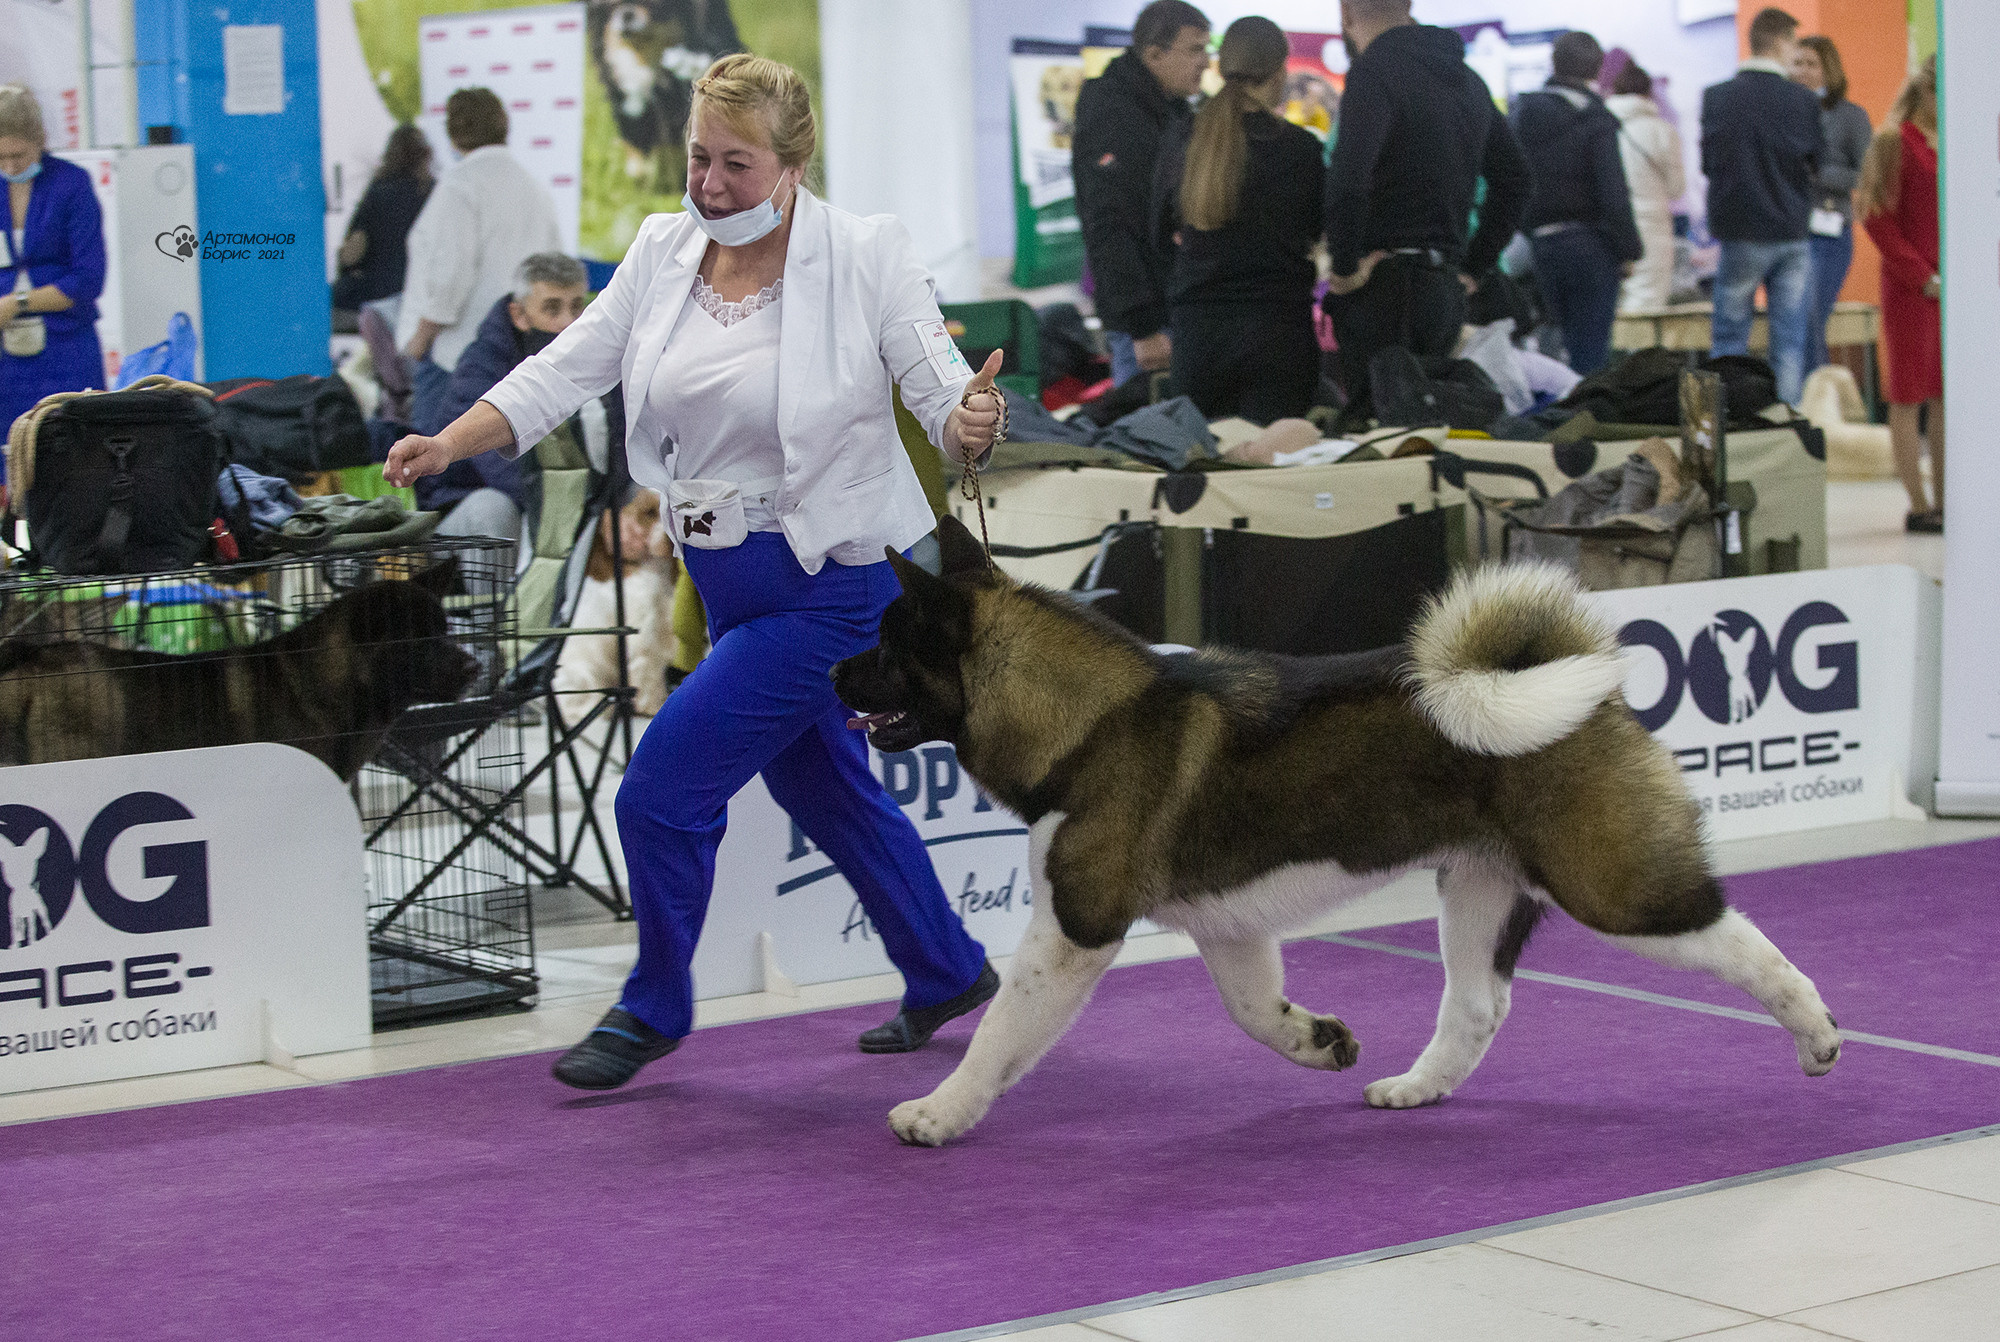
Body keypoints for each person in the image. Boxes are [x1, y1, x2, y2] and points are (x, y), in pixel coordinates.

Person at [384, 55, 1004, 1090]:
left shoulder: (863, 253)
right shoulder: (662, 248)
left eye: (736, 164)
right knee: (829, 791)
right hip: (723, 582)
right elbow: (563, 368)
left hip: (836, 582)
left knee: (658, 794)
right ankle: (944, 968)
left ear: (793, 164)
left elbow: (943, 393)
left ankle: (653, 1007)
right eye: (697, 158)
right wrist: (451, 440)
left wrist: (969, 419)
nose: (708, 184)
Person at [1322, 0, 1529, 423]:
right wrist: (1475, 264)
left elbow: (1349, 180)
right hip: (1443, 289)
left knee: (1374, 436)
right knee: (1430, 435)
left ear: (1345, 12)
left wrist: (1343, 268)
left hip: (1381, 289)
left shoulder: (1373, 71)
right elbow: (1516, 179)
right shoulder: (1467, 80)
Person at [1151, 16, 1323, 423]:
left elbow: (1157, 235)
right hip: (1280, 332)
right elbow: (1315, 232)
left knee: (1203, 471)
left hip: (1200, 336)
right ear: (1280, 70)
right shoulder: (1301, 149)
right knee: (1274, 476)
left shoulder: (1183, 139)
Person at [422, 252, 625, 545]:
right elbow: (496, 465)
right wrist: (579, 506)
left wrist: (609, 503)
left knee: (645, 499)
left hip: (572, 498)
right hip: (474, 504)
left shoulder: (598, 356)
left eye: (577, 307)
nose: (568, 322)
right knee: (493, 509)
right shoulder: (481, 364)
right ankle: (505, 593)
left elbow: (622, 437)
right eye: (552, 309)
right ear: (519, 314)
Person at [396, 87, 562, 438]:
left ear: (453, 135)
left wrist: (420, 340)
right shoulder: (535, 188)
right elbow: (555, 269)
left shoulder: (459, 185)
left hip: (455, 357)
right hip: (518, 356)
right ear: (504, 125)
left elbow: (450, 275)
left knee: (434, 470)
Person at [1073, 1, 1210, 389]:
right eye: (1195, 50)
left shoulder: (1173, 111)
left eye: (1208, 49)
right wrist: (1142, 326)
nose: (1205, 63)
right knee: (1148, 438)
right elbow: (1109, 221)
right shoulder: (1112, 111)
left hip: (1176, 306)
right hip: (1147, 325)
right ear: (1154, 54)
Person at [1701, 7, 1822, 407]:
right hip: (1792, 231)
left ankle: (1729, 425)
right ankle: (1784, 426)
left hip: (1740, 230)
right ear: (1781, 42)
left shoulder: (1717, 98)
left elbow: (1709, 164)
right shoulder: (1803, 102)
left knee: (1730, 338)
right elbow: (1817, 165)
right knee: (1789, 342)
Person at [1511, 32, 1643, 377]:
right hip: (1590, 247)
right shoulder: (1596, 120)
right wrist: (1629, 250)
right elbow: (1612, 191)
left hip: (1536, 247)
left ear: (1553, 63)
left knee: (1545, 356)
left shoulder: (1523, 112)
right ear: (1598, 69)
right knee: (1590, 358)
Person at [0, 84, 105, 480]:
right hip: (4, 359)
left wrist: (16, 302)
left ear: (40, 142)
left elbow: (87, 279)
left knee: (72, 458)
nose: (9, 167)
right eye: (0, 157)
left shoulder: (71, 185)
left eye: (18, 156)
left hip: (65, 348)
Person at [1858, 57, 1942, 533]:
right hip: (1913, 290)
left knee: (1946, 394)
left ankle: (1949, 496)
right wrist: (1921, 275)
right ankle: (1918, 500)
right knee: (1909, 394)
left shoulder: (1953, 143)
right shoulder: (1894, 141)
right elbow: (1876, 216)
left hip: (1949, 288)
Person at [1792, 35, 1872, 375]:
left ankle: (1816, 408)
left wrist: (1820, 173)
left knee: (1812, 319)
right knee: (1792, 323)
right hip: (1789, 232)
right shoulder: (1783, 111)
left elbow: (1868, 175)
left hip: (1829, 232)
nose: (1803, 71)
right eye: (1797, 63)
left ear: (1829, 70)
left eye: (1812, 64)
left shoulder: (1850, 116)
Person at [1607, 62, 1686, 313]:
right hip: (1652, 228)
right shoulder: (1662, 131)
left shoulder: (1602, 128)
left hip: (1608, 226)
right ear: (1649, 94)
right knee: (1646, 307)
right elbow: (1676, 188)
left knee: (1610, 308)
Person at [333, 125, 434, 320]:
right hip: (421, 296)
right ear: (425, 155)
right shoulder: (435, 192)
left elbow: (353, 252)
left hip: (377, 295)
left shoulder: (378, 192)